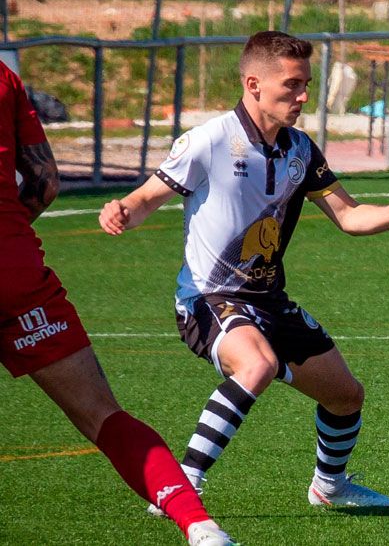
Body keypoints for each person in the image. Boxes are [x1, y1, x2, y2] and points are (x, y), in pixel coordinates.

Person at [99, 31, 389, 510]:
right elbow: (145, 199)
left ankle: (330, 487)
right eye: (292, 86)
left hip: (268, 301)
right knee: (257, 364)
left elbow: (349, 216)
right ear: (254, 84)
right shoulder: (209, 141)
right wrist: (121, 210)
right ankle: (180, 486)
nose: (303, 97)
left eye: (306, 85)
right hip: (207, 300)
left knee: (346, 396)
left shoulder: (301, 149)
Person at [0, 62, 234, 545]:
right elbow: (43, 182)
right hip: (16, 271)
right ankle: (201, 527)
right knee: (101, 413)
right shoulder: (4, 75)